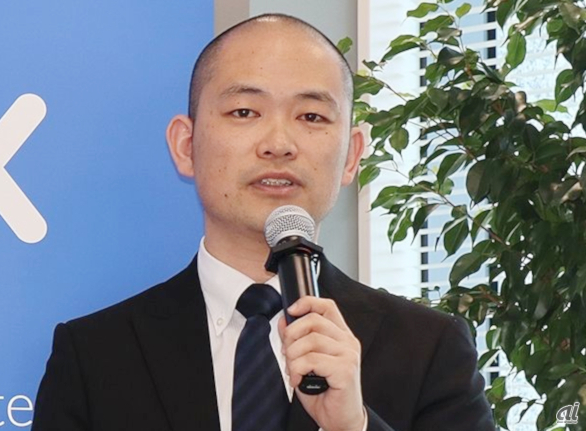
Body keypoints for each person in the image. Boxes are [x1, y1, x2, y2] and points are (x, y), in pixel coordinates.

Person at [31, 13, 494, 431]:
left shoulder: (430, 349)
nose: (278, 143)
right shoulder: (95, 355)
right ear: (185, 146)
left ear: (352, 156)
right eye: (244, 112)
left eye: (311, 115)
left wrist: (352, 426)